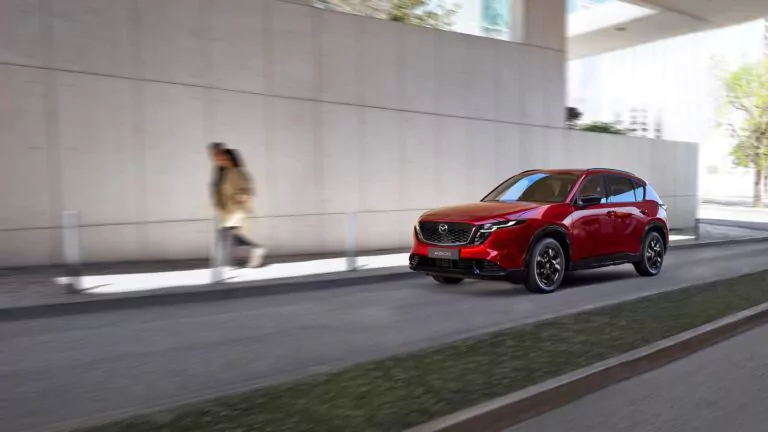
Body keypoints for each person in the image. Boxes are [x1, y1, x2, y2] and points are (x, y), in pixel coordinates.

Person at [215, 148, 267, 268]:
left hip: (237, 209)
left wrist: (240, 197)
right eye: (221, 159)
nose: (222, 161)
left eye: (225, 158)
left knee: (228, 234)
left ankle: (254, 249)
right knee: (229, 236)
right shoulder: (227, 172)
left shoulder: (238, 172)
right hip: (230, 210)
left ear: (232, 159)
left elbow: (248, 190)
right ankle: (232, 262)